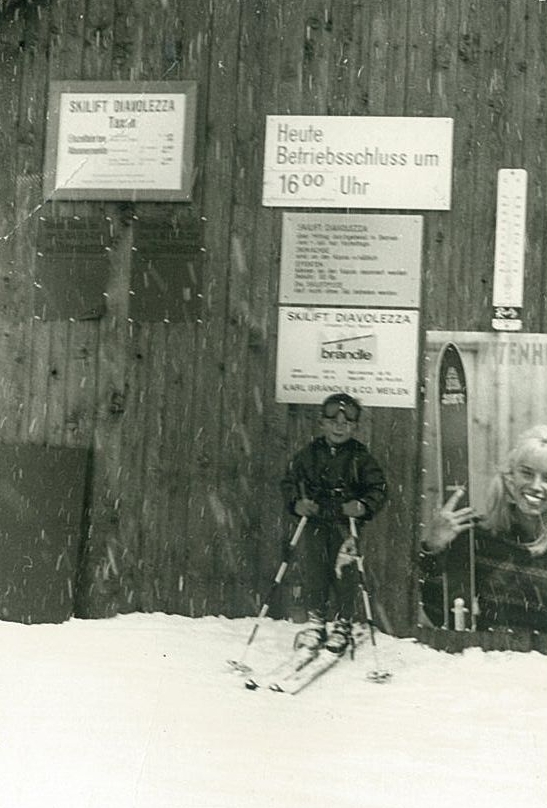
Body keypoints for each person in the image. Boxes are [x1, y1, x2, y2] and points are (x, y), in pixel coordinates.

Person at [280, 393, 387, 655]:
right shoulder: (309, 454)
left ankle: (342, 623)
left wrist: (361, 505)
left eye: (347, 424)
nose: (340, 427)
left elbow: (378, 488)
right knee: (315, 572)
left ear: (355, 427)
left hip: (344, 525)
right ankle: (316, 622)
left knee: (344, 573)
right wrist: (297, 503)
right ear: (322, 424)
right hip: (316, 522)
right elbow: (289, 482)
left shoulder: (360, 457)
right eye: (333, 422)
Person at [424, 424, 547, 632]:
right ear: (510, 478)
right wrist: (433, 548)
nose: (536, 486)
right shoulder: (475, 537)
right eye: (526, 473)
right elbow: (439, 611)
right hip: (487, 659)